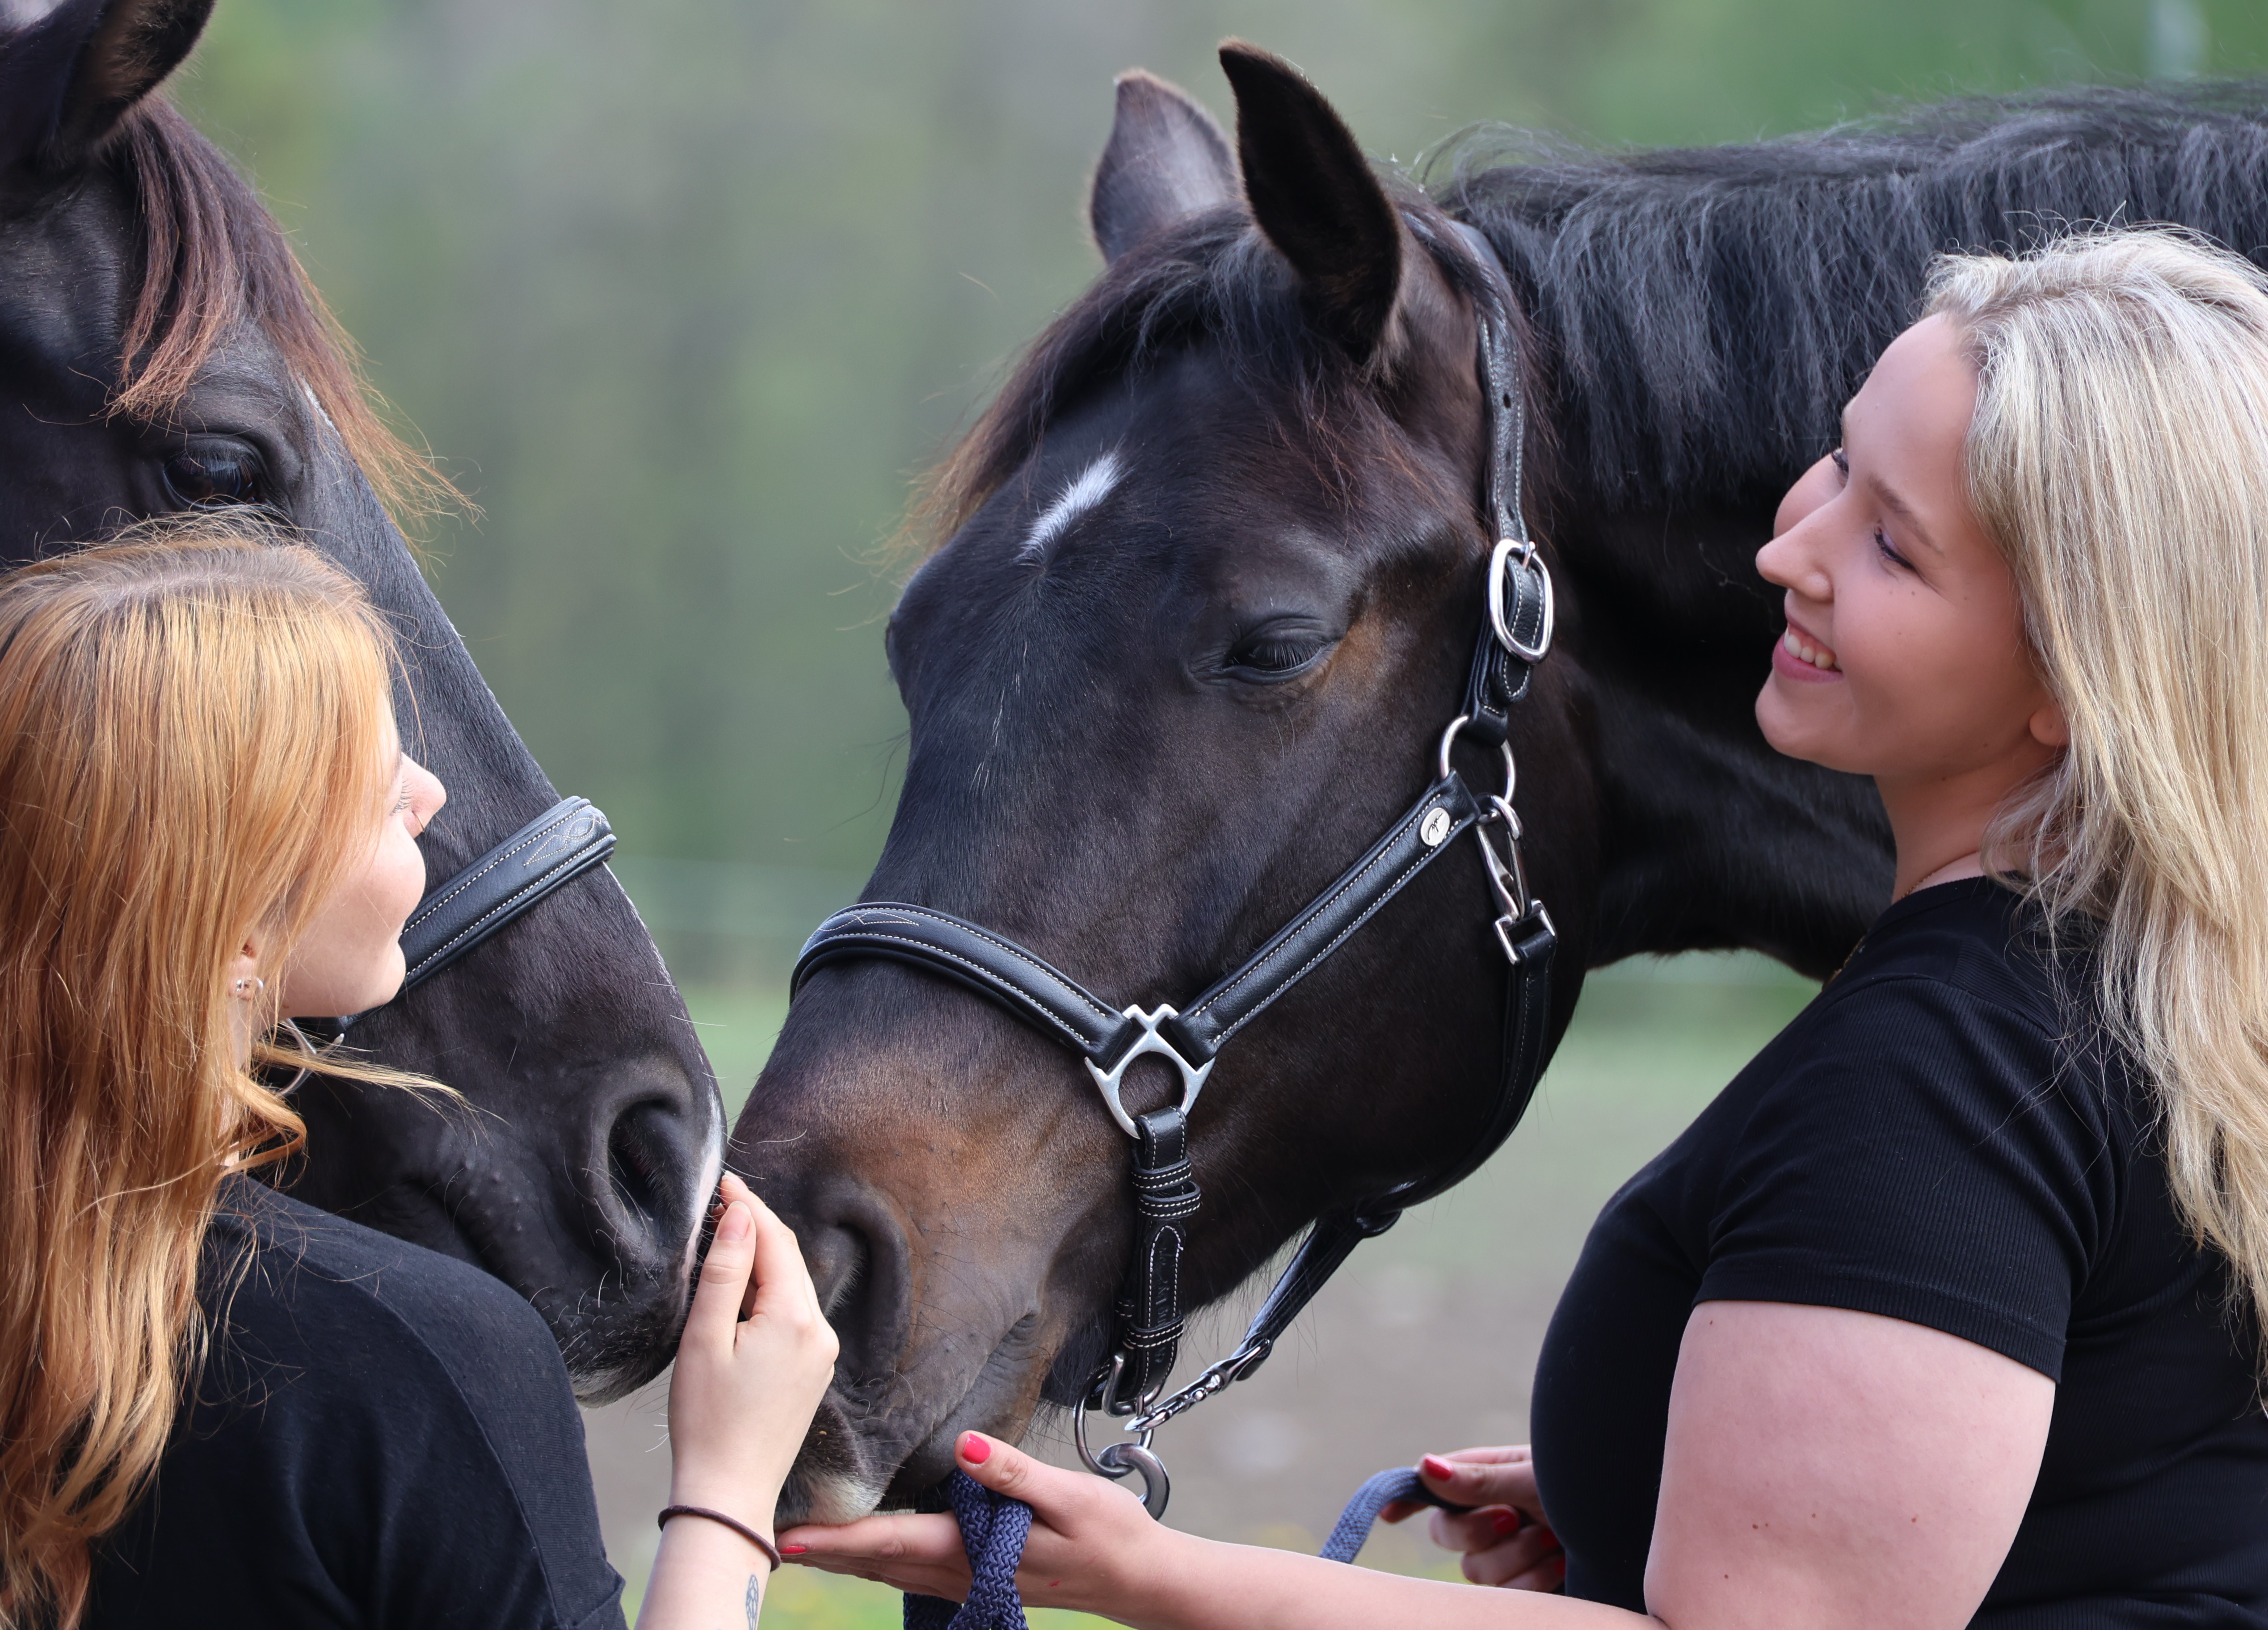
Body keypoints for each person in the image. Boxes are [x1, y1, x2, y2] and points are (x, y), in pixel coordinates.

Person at [778, 227, 2268, 1624]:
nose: (1786, 549)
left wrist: (1162, 1577)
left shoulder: (1936, 1075)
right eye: (1834, 462)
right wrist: (1648, 1480)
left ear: (2073, 677)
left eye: (1892, 545)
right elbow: (2135, 1477)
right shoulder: (2161, 1000)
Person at [0, 525, 838, 1630]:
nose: (431, 793)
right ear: (239, 928)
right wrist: (729, 1497)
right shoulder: (411, 1366)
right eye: (373, 785)